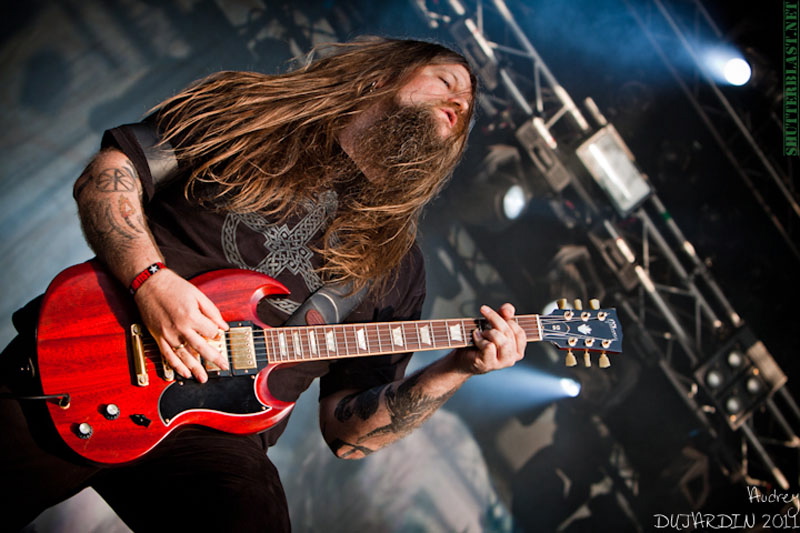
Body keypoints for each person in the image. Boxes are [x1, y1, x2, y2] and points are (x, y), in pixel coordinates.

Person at [0, 37, 527, 532]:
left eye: (466, 110)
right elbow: (108, 176)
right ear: (380, 79)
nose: (461, 101)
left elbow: (348, 434)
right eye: (445, 81)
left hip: (216, 439)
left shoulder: (395, 264)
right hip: (96, 360)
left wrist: (458, 368)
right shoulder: (248, 115)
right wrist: (151, 282)